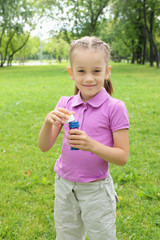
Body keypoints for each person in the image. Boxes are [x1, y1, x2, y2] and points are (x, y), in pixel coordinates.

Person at [38, 36, 129, 240]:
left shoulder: (115, 108)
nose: (89, 78)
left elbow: (122, 157)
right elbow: (44, 146)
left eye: (96, 71)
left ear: (107, 72)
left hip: (96, 190)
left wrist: (92, 145)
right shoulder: (64, 103)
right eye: (81, 71)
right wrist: (47, 122)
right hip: (64, 187)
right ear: (72, 73)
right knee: (66, 236)